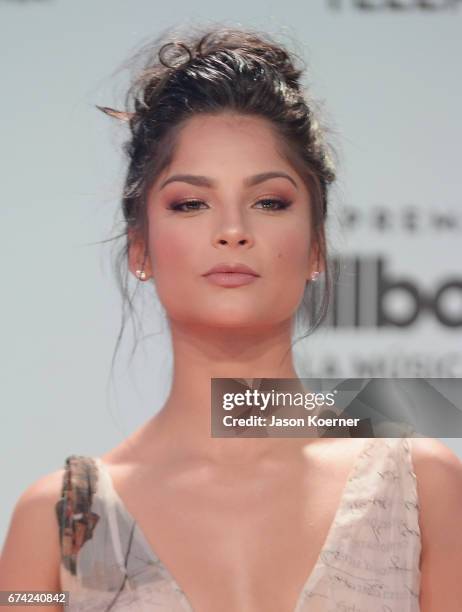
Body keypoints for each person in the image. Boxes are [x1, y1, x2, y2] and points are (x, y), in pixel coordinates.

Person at [1, 23, 462, 612]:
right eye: (190, 203)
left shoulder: (423, 490)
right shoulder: (58, 522)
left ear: (316, 246)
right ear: (140, 247)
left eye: (269, 201)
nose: (232, 231)